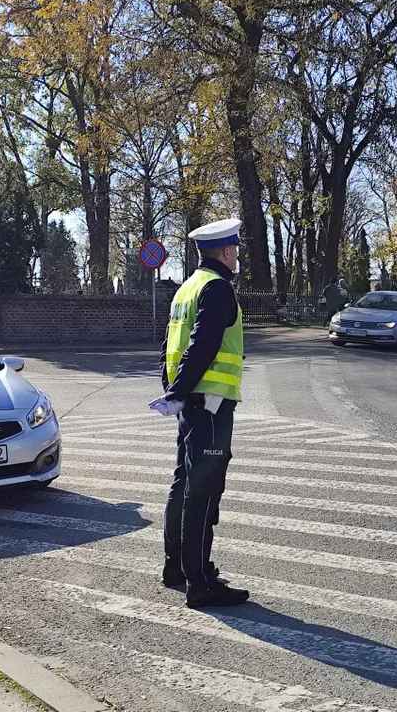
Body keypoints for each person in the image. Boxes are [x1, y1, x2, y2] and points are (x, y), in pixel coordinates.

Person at [157, 218, 250, 608]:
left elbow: (167, 347)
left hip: (191, 406)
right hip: (210, 406)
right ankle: (199, 581)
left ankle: (176, 566)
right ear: (227, 252)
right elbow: (203, 345)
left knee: (184, 484)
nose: (237, 256)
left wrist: (172, 392)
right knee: (203, 492)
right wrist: (178, 392)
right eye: (237, 250)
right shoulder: (217, 289)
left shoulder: (186, 289)